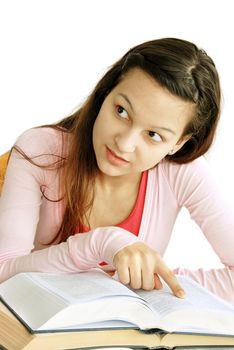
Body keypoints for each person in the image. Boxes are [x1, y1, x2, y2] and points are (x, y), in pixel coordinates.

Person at [0, 38, 233, 304]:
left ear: (178, 143)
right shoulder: (41, 150)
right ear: (105, 94)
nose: (124, 143)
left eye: (154, 135)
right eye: (121, 111)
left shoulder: (182, 173)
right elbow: (4, 274)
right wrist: (101, 243)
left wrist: (156, 283)